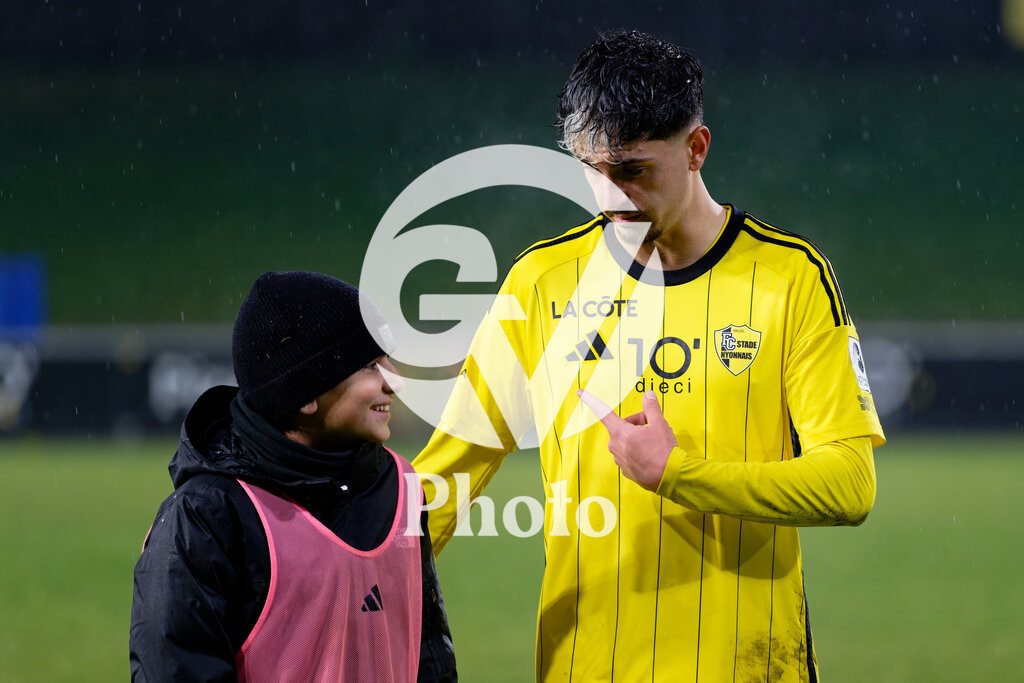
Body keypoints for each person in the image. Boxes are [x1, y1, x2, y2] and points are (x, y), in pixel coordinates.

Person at [413, 29, 884, 681]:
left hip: (748, 668)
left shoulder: (791, 279)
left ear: (696, 148)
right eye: (592, 169)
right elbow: (442, 483)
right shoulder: (541, 284)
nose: (611, 199)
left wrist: (680, 473)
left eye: (633, 170)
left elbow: (849, 485)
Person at [130, 271, 457, 682]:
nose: (396, 380)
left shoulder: (399, 483)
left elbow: (428, 655)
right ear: (304, 395)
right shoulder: (208, 516)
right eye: (371, 365)